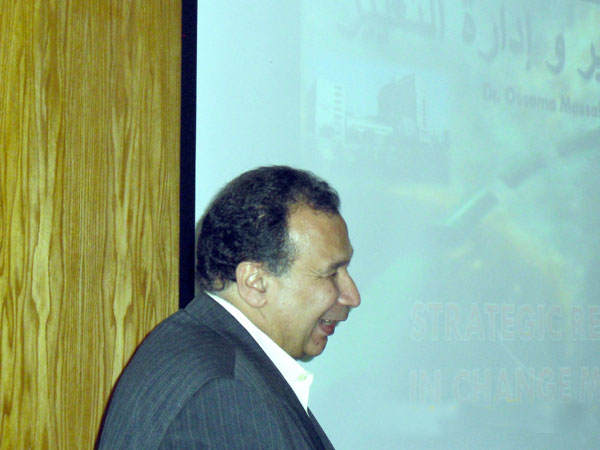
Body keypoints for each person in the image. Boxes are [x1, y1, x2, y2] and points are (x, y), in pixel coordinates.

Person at [97, 166, 361, 449]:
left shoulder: (200, 348)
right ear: (255, 282)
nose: (352, 297)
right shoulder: (224, 391)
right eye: (331, 273)